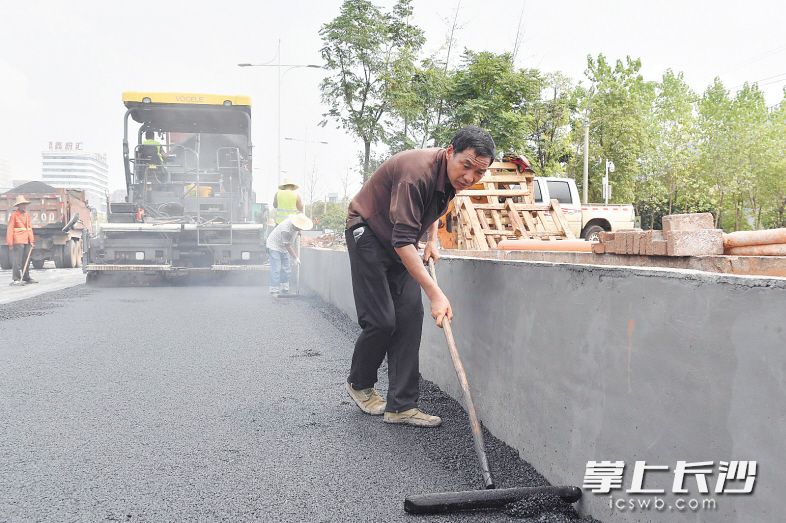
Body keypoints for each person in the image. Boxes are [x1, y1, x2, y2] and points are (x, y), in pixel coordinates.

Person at [344, 125, 495, 427]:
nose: (469, 178)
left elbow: (432, 209)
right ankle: (360, 384)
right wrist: (436, 293)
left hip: (400, 241)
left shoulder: (450, 179)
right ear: (451, 151)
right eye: (466, 167)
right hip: (369, 232)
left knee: (410, 317)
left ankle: (400, 405)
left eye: (479, 174)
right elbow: (402, 242)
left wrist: (433, 240)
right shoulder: (417, 172)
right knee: (382, 320)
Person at [266, 212, 313, 295]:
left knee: (286, 269)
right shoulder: (286, 229)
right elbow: (287, 245)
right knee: (276, 268)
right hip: (274, 246)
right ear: (295, 224)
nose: (300, 228)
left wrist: (298, 232)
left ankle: (285, 288)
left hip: (283, 247)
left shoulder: (296, 227)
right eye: (299, 227)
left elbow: (290, 243)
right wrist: (295, 258)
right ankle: (274, 289)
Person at [6, 195, 37, 286]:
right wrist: (10, 243)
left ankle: (26, 277)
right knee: (17, 261)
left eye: (24, 204)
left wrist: (32, 241)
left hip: (27, 240)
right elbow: (10, 229)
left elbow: (29, 228)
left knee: (26, 260)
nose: (24, 206)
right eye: (22, 204)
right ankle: (16, 278)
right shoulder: (14, 216)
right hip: (18, 241)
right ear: (18, 206)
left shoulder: (27, 215)